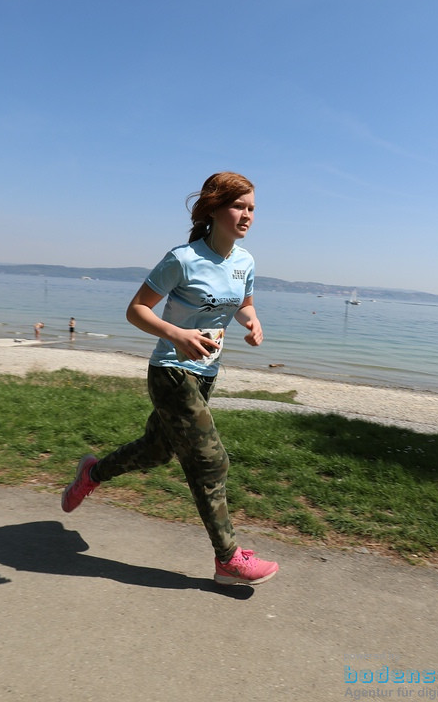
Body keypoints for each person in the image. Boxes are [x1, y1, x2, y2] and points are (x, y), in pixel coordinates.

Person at [61, 171, 278, 586]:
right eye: (239, 206)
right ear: (214, 209)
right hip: (171, 373)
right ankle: (228, 559)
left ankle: (92, 474)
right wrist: (176, 333)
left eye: (252, 208)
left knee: (157, 451)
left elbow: (243, 305)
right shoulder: (182, 259)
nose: (248, 215)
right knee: (210, 461)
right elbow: (137, 309)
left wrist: (253, 324)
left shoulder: (245, 262)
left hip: (206, 375)